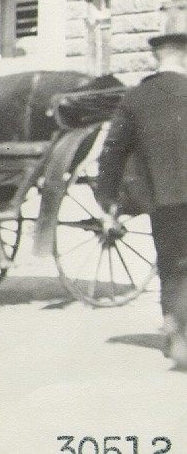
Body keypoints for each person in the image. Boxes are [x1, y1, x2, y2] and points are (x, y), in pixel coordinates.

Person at [97, 32, 187, 369]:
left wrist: (107, 203)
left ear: (157, 59)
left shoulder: (135, 98)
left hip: (163, 199)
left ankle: (179, 335)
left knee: (173, 266)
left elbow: (112, 153)